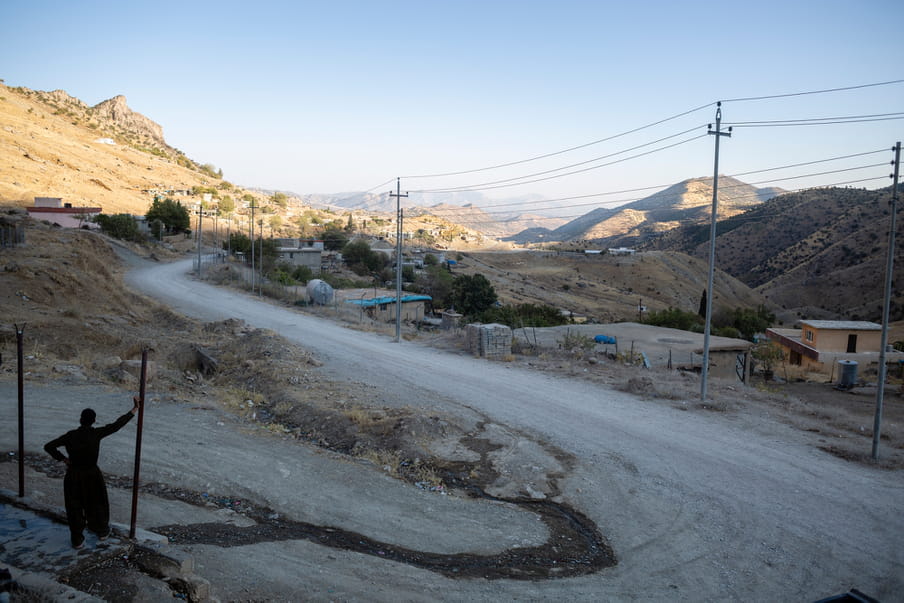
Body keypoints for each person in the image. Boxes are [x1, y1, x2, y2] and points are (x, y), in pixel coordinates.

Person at [44, 397, 141, 548]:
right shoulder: (96, 434)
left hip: (74, 474)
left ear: (80, 419)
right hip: (92, 475)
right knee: (97, 503)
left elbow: (48, 446)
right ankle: (102, 531)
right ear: (94, 420)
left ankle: (77, 539)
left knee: (74, 506)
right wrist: (134, 409)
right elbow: (116, 426)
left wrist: (63, 459)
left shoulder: (70, 435)